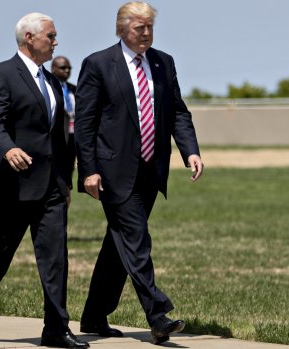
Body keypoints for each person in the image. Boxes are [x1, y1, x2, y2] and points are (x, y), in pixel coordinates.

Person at [0, 13, 89, 349]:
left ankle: (56, 328)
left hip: (51, 187)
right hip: (10, 186)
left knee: (56, 258)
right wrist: (7, 149)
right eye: (51, 36)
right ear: (29, 37)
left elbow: (60, 138)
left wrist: (67, 182)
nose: (56, 42)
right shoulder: (1, 74)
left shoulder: (55, 83)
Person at [74, 2, 204, 345]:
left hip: (151, 170)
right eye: (138, 28)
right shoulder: (99, 64)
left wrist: (190, 151)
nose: (145, 33)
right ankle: (157, 314)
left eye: (149, 27)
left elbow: (178, 112)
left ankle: (93, 315)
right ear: (121, 29)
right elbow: (84, 123)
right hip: (112, 170)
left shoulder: (163, 62)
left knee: (119, 245)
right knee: (136, 239)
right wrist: (88, 169)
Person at [51, 56, 76, 185]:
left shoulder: (74, 89)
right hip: (57, 138)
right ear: (53, 69)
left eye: (69, 68)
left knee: (68, 172)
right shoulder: (48, 88)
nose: (67, 70)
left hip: (73, 138)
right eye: (63, 68)